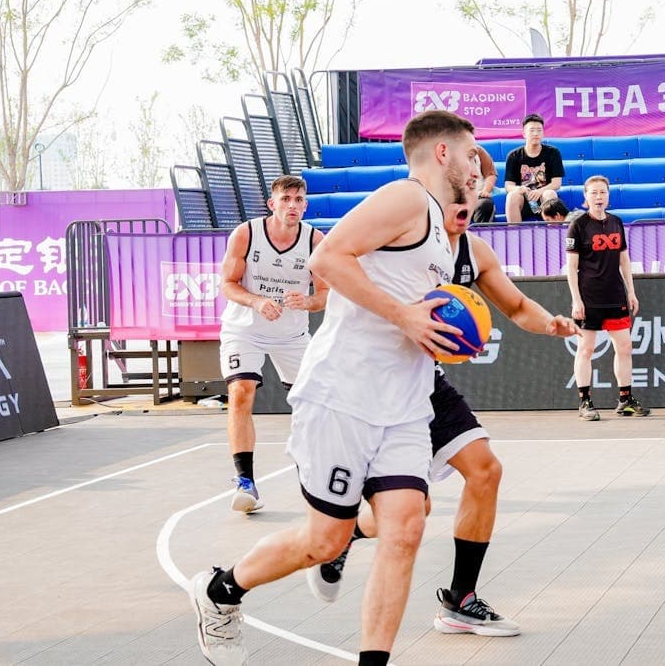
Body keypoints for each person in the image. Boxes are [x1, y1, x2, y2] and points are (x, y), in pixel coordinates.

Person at [189, 110, 482, 666]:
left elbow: (405, 301)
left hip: (402, 404)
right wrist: (406, 318)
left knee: (405, 529)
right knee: (324, 540)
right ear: (442, 152)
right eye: (469, 153)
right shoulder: (405, 198)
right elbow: (326, 258)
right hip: (342, 397)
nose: (475, 165)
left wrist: (430, 333)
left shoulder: (440, 227)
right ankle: (220, 590)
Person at [307, 197, 579, 636]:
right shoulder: (400, 233)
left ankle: (460, 600)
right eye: (456, 192)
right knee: (418, 507)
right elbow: (333, 262)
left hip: (428, 382)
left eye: (471, 192)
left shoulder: (475, 252)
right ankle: (348, 533)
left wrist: (551, 324)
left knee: (486, 470)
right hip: (375, 379)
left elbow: (516, 306)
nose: (464, 200)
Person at [218, 175, 328, 514]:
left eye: (298, 200)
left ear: (305, 205)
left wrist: (307, 302)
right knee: (241, 393)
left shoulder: (315, 240)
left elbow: (324, 294)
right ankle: (245, 482)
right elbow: (228, 284)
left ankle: (313, 475)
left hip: (291, 334)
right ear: (272, 204)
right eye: (286, 199)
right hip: (245, 328)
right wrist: (255, 301)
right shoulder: (246, 234)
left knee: (310, 406)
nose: (292, 205)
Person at [566, 175, 649, 419]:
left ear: (608, 195)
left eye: (602, 192)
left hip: (615, 295)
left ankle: (625, 400)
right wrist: (576, 299)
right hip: (589, 296)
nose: (599, 197)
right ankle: (585, 402)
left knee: (624, 346)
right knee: (586, 348)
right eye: (594, 193)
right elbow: (571, 267)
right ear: (585, 198)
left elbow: (624, 260)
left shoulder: (616, 223)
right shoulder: (578, 226)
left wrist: (631, 291)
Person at [504, 113, 564, 223]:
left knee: (550, 194)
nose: (536, 133)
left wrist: (539, 191)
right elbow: (508, 185)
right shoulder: (514, 156)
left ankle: (554, 232)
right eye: (531, 130)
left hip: (543, 198)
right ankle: (514, 235)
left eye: (539, 130)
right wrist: (519, 189)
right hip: (523, 199)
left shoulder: (553, 153)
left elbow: (557, 183)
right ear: (524, 134)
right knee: (512, 196)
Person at [470, 144, 498, 223]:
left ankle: (481, 233)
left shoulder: (479, 151)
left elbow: (491, 174)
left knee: (485, 204)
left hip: (478, 197)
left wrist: (485, 191)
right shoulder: (446, 154)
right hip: (454, 200)